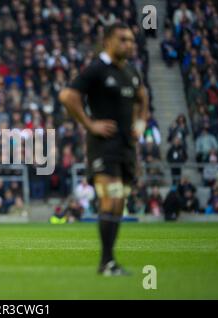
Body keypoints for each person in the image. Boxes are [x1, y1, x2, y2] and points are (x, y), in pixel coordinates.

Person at [59, 23, 148, 276]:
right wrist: (89, 123)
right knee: (110, 199)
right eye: (123, 40)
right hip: (103, 146)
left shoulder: (130, 71)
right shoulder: (97, 69)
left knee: (119, 202)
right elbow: (67, 96)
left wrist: (140, 124)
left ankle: (109, 262)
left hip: (126, 147)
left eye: (131, 40)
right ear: (108, 41)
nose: (129, 44)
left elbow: (143, 97)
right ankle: (106, 263)